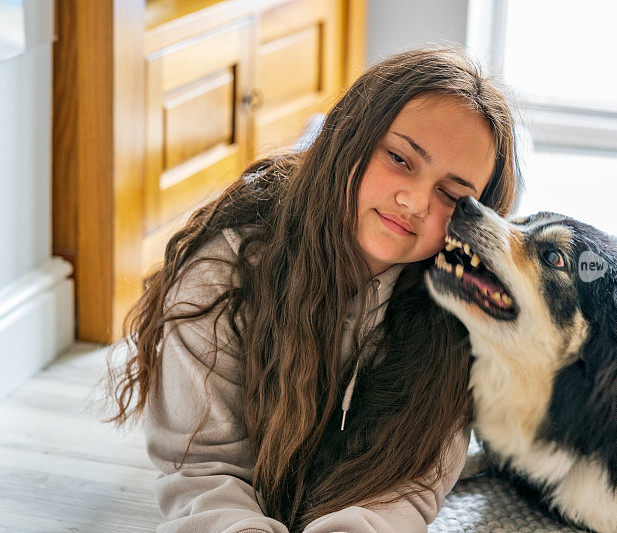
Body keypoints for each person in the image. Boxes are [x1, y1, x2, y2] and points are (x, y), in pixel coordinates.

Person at [103, 47, 521, 533]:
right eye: (400, 159)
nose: (414, 202)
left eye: (452, 195)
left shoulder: (458, 310)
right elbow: (199, 466)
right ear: (352, 137)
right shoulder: (221, 273)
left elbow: (416, 484)